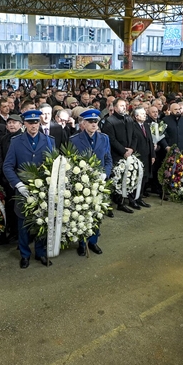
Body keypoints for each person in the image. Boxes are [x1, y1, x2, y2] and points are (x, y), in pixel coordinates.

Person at [3, 109, 55, 269]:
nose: (34, 126)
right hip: (23, 190)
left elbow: (54, 164)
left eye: (36, 122)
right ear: (24, 124)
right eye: (30, 123)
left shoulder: (48, 140)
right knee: (23, 224)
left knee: (41, 221)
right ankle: (24, 254)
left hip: (42, 190)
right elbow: (8, 166)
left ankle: (40, 252)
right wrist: (18, 184)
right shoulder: (16, 141)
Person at [69, 109, 113, 256]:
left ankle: (93, 242)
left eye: (96, 122)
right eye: (91, 122)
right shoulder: (74, 140)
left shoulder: (104, 138)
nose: (94, 124)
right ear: (83, 123)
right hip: (82, 182)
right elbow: (71, 162)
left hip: (99, 182)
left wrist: (104, 174)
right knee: (81, 213)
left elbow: (108, 160)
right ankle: (82, 242)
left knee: (97, 213)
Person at [102, 98, 135, 213]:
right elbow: (111, 139)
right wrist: (123, 151)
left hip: (128, 153)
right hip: (116, 154)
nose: (124, 107)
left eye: (125, 105)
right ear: (115, 108)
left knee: (125, 179)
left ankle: (121, 202)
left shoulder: (129, 119)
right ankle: (109, 205)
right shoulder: (110, 121)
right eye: (121, 106)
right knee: (114, 180)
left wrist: (131, 149)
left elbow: (134, 135)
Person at [129, 107, 154, 209]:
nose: (145, 115)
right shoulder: (133, 126)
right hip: (138, 156)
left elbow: (150, 141)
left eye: (145, 113)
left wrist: (153, 155)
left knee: (144, 178)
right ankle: (132, 199)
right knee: (136, 178)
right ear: (136, 116)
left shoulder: (146, 126)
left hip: (147, 156)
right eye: (142, 114)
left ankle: (139, 197)